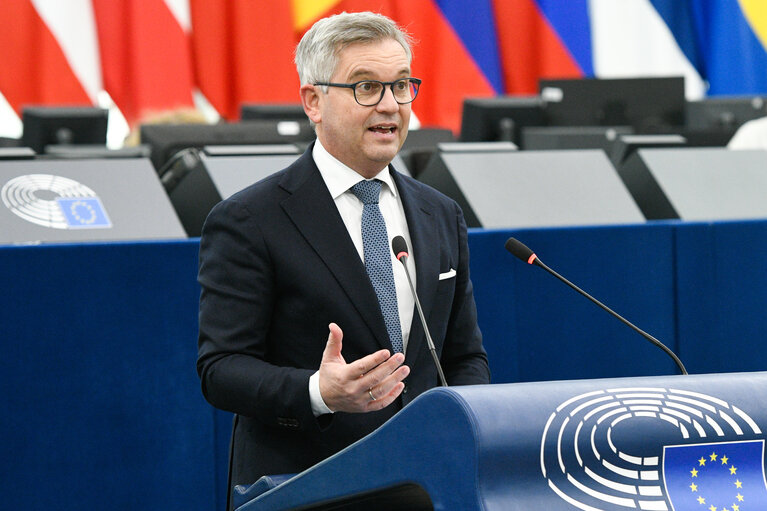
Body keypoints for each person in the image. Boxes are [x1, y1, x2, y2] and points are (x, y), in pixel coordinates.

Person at [196, 10, 491, 502]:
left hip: (426, 485)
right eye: (366, 88)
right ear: (313, 101)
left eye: (401, 85)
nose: (391, 105)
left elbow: (464, 356)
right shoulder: (250, 218)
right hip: (308, 487)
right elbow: (222, 369)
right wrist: (318, 392)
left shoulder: (440, 213)